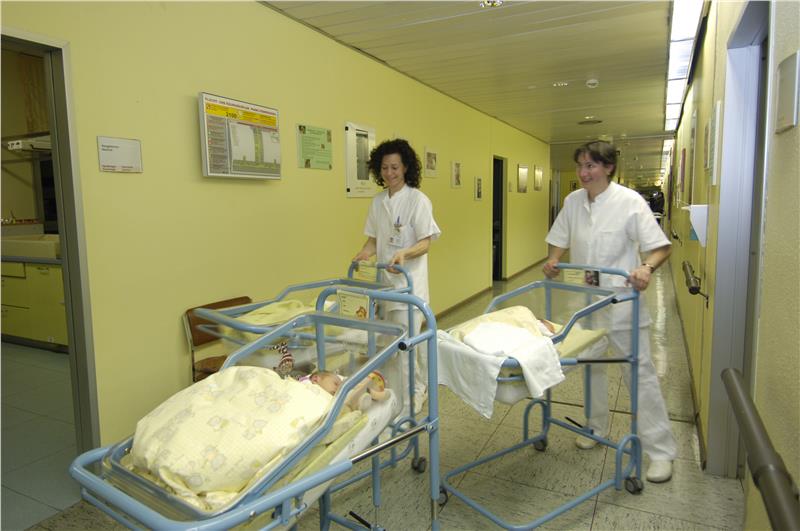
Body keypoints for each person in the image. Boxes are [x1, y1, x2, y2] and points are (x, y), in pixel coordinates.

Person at [542, 140, 677, 484]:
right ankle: (595, 427)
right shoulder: (573, 201)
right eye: (580, 165)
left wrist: (646, 267)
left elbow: (661, 247)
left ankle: (661, 451)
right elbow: (559, 237)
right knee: (590, 367)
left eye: (590, 165)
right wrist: (554, 259)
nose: (583, 172)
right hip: (586, 302)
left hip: (621, 303)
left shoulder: (629, 202)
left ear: (608, 168)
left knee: (639, 375)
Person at [352, 138, 441, 417]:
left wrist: (404, 253)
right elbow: (373, 240)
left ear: (405, 168)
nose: (389, 173)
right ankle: (400, 392)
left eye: (395, 167)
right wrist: (363, 254)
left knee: (405, 346)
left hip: (409, 287)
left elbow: (426, 242)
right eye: (384, 168)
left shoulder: (418, 200)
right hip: (384, 287)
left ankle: (412, 399)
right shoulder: (378, 202)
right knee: (391, 346)